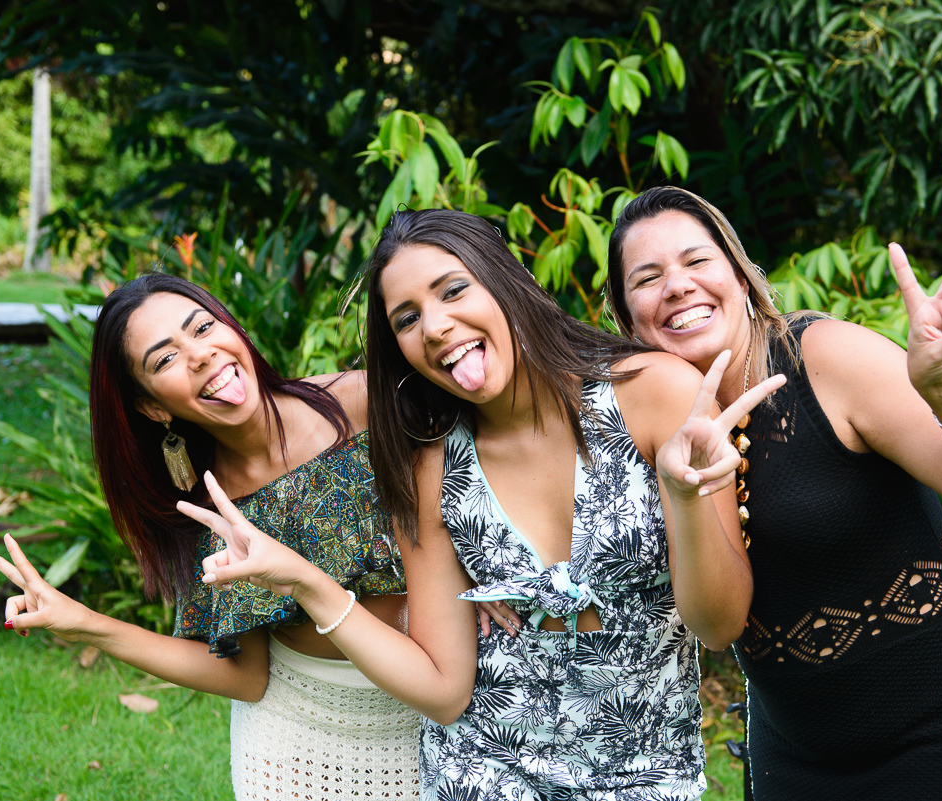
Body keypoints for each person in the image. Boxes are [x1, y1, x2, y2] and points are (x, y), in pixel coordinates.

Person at [178, 208, 785, 799]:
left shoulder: (651, 392)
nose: (436, 326)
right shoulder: (433, 465)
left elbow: (717, 626)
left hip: (647, 776)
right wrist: (305, 583)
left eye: (453, 290)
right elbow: (443, 689)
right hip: (481, 774)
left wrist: (684, 497)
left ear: (506, 281)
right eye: (408, 318)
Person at [601, 185, 942, 800]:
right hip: (798, 751)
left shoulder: (825, 360)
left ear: (741, 276)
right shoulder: (641, 422)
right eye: (647, 277)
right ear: (627, 319)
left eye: (697, 260)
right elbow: (713, 626)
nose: (677, 286)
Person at [0, 273, 420, 800]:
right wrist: (85, 624)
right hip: (297, 749)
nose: (199, 355)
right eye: (164, 359)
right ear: (152, 407)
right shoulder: (206, 503)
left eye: (203, 327)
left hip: (438, 722)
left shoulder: (362, 403)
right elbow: (245, 676)